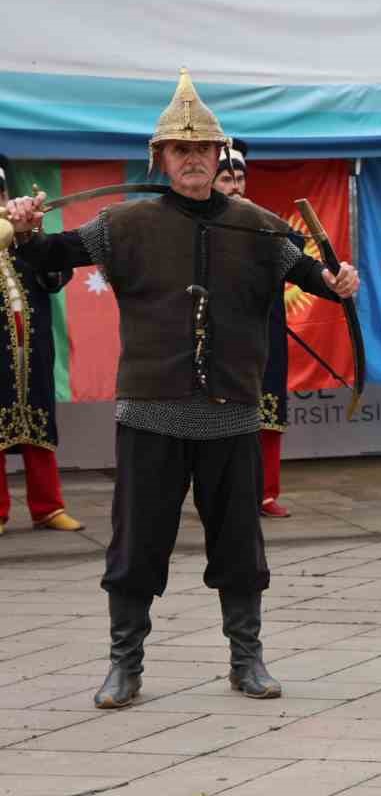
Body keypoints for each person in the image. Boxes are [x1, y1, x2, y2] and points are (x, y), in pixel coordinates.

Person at [6, 70, 359, 709]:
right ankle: (125, 665)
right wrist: (28, 233)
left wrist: (340, 281)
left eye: (204, 150)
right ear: (161, 158)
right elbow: (51, 257)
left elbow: (317, 273)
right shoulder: (124, 224)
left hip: (232, 408)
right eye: (181, 150)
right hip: (151, 407)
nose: (194, 160)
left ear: (219, 156)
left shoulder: (258, 225)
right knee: (137, 540)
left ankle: (246, 659)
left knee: (239, 542)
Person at [0, 154, 83, 538]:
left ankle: (48, 507)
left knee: (39, 424)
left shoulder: (24, 234)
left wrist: (34, 236)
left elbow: (54, 278)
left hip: (33, 349)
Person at [211, 139, 292, 520]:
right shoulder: (200, 225)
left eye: (239, 178)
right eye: (227, 178)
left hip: (266, 333)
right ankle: (225, 493)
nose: (235, 186)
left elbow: (295, 254)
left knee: (268, 415)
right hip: (218, 336)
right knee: (220, 419)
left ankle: (266, 492)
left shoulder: (265, 220)